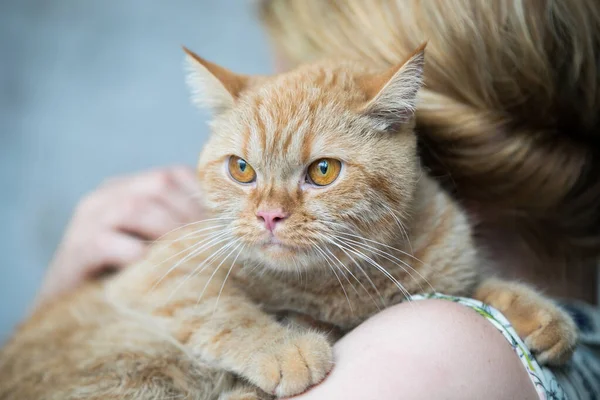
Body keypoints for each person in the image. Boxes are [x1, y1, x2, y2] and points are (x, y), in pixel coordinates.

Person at [38, 0, 600, 398]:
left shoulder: (440, 349)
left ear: (402, 119)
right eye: (240, 168)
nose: (270, 211)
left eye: (321, 169)